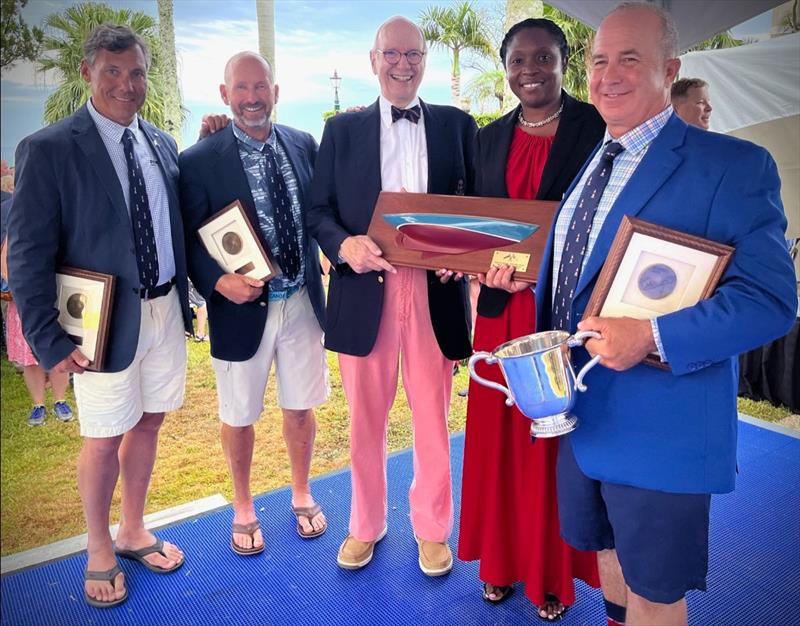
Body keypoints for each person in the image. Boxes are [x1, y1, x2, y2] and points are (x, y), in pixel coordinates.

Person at [511, 3, 795, 625]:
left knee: (656, 591)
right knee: (608, 557)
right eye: (600, 60)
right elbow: (582, 273)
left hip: (661, 426)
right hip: (581, 417)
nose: (609, 75)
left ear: (670, 69)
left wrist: (655, 335)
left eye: (630, 59)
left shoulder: (732, 167)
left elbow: (773, 300)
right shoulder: (593, 159)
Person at [7, 25, 192, 608]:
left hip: (164, 310)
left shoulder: (161, 144)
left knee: (149, 422)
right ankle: (97, 546)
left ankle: (133, 529)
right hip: (100, 322)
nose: (125, 84)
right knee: (103, 436)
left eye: (135, 72)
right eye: (112, 71)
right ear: (88, 73)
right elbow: (29, 253)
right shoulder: (49, 148)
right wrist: (46, 337)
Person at [307, 16, 475, 576]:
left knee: (432, 418)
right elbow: (318, 211)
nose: (403, 64)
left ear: (424, 59)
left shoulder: (457, 125)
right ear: (373, 60)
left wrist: (459, 257)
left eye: (413, 54)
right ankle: (365, 525)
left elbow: (473, 207)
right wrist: (344, 245)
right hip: (364, 289)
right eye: (392, 54)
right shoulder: (340, 131)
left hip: (434, 295)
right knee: (365, 422)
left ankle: (432, 529)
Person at [457, 18, 604, 621]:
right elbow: (478, 223)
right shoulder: (487, 139)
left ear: (563, 63)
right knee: (499, 436)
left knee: (554, 441)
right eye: (519, 61)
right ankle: (499, 563)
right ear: (507, 66)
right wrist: (472, 266)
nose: (530, 72)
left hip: (562, 311)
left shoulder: (596, 128)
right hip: (501, 310)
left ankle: (550, 573)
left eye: (543, 59)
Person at [179, 51, 329, 555]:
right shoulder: (198, 159)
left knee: (300, 407)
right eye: (240, 89)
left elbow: (325, 207)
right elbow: (188, 239)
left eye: (260, 87)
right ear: (224, 95)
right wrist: (218, 283)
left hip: (303, 301)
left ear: (276, 92)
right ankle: (243, 507)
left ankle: (302, 491)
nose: (251, 98)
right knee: (239, 413)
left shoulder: (304, 144)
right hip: (240, 308)